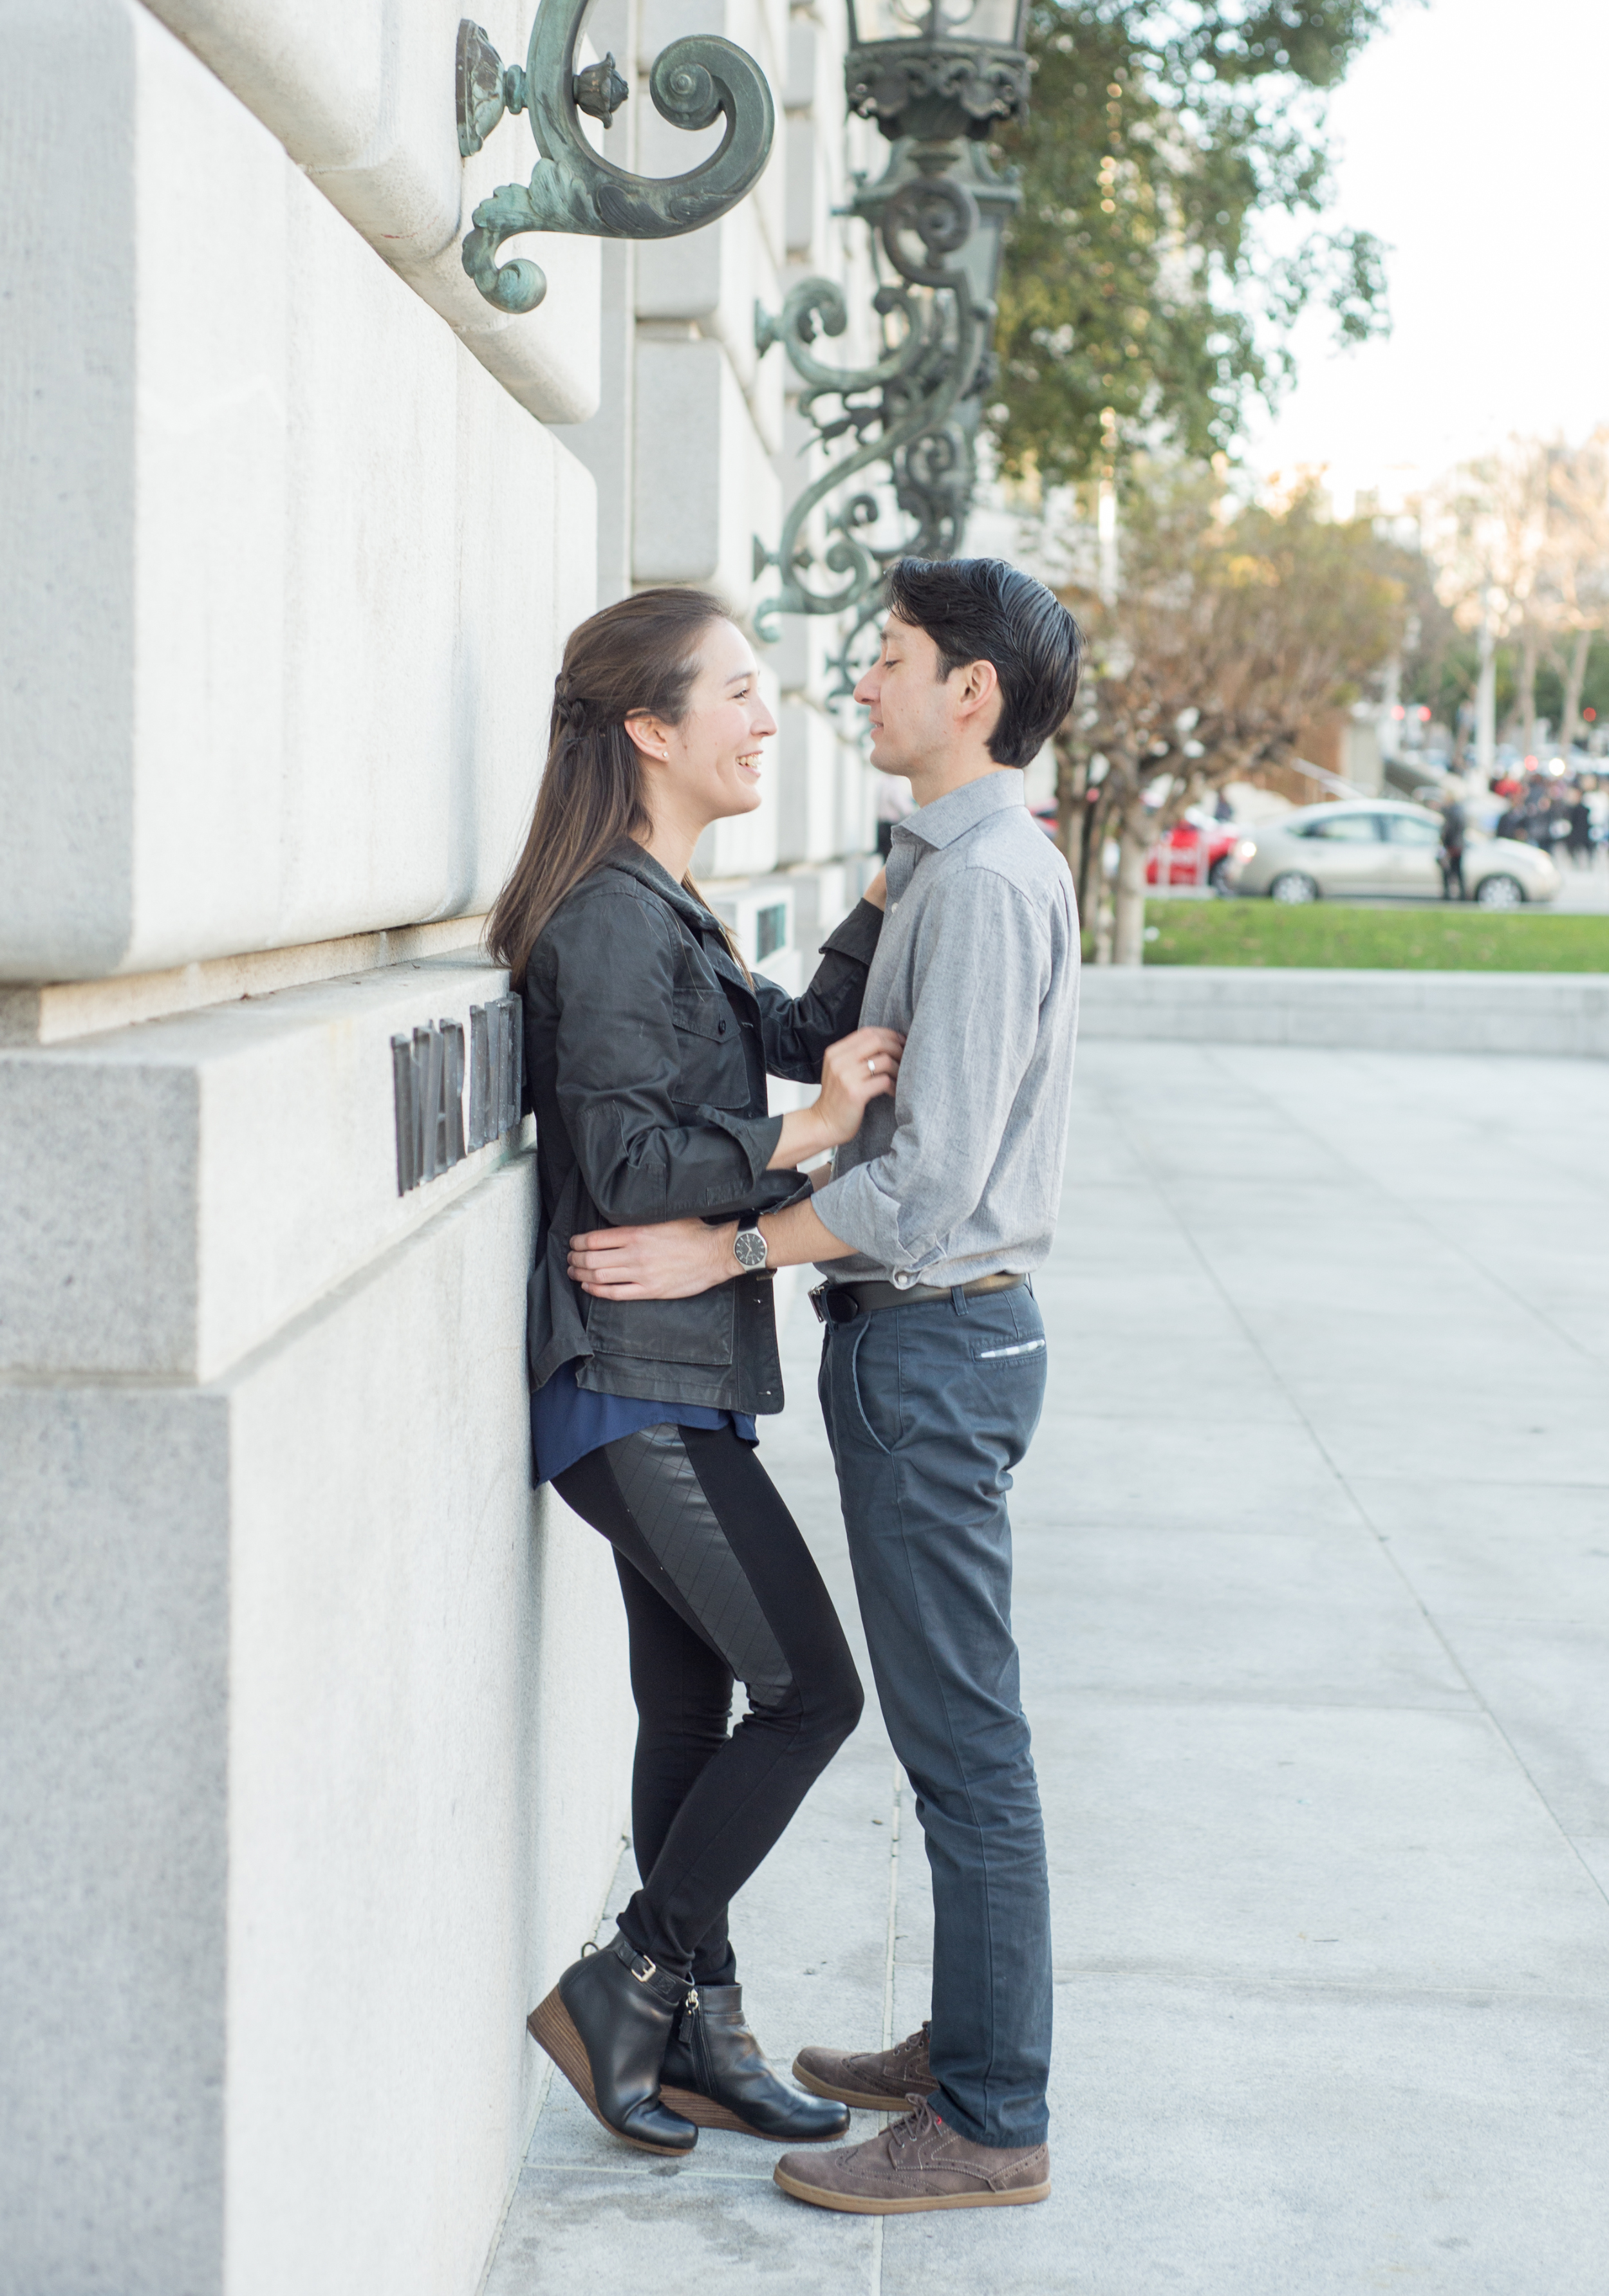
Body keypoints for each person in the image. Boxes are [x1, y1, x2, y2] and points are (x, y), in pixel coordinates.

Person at [569, 555, 1084, 2214]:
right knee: (922, 1726)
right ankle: (959, 2043)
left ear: (972, 695)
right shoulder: (940, 868)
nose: (852, 688)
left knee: (959, 1743)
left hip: (934, 1340)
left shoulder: (990, 885)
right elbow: (808, 1042)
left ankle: (992, 2114)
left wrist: (729, 1250)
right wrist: (880, 888)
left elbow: (922, 1184)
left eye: (888, 660)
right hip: (913, 1347)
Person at [488, 586, 905, 2159]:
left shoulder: (663, 900)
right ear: (649, 730)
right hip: (628, 1384)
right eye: (736, 691)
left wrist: (884, 897)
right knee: (812, 1693)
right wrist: (806, 1134)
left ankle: (697, 2039)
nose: (766, 716)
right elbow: (620, 1155)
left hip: (674, 1372)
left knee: (696, 1704)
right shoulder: (604, 916)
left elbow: (790, 1028)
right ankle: (635, 1978)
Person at [1439, 794, 1467, 901]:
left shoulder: (1452, 812)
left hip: (1453, 846)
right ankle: (1461, 893)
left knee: (1450, 870)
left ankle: (1449, 893)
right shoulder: (1459, 811)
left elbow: (1449, 829)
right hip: (1457, 845)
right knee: (1457, 870)